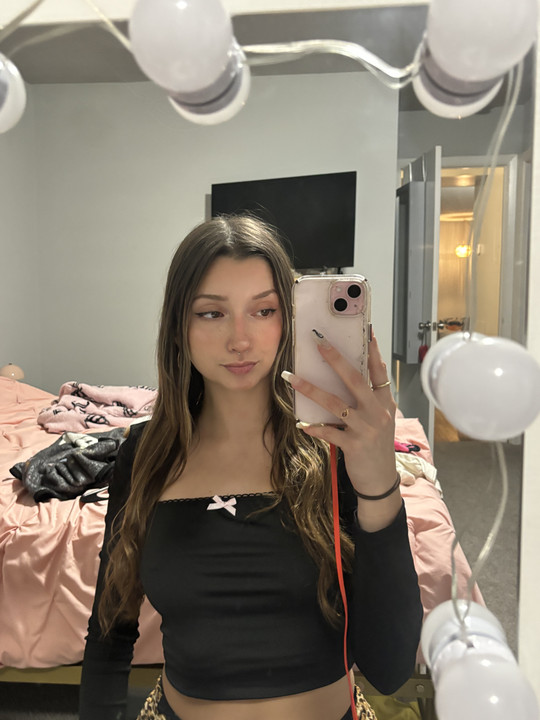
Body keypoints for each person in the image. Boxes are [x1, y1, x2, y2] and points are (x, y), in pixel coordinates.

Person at [79, 215, 423, 720]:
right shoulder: (145, 454)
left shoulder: (334, 449)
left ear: (288, 319)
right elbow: (111, 632)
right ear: (179, 327)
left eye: (264, 310)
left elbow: (390, 668)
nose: (240, 339)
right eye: (211, 313)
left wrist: (379, 486)